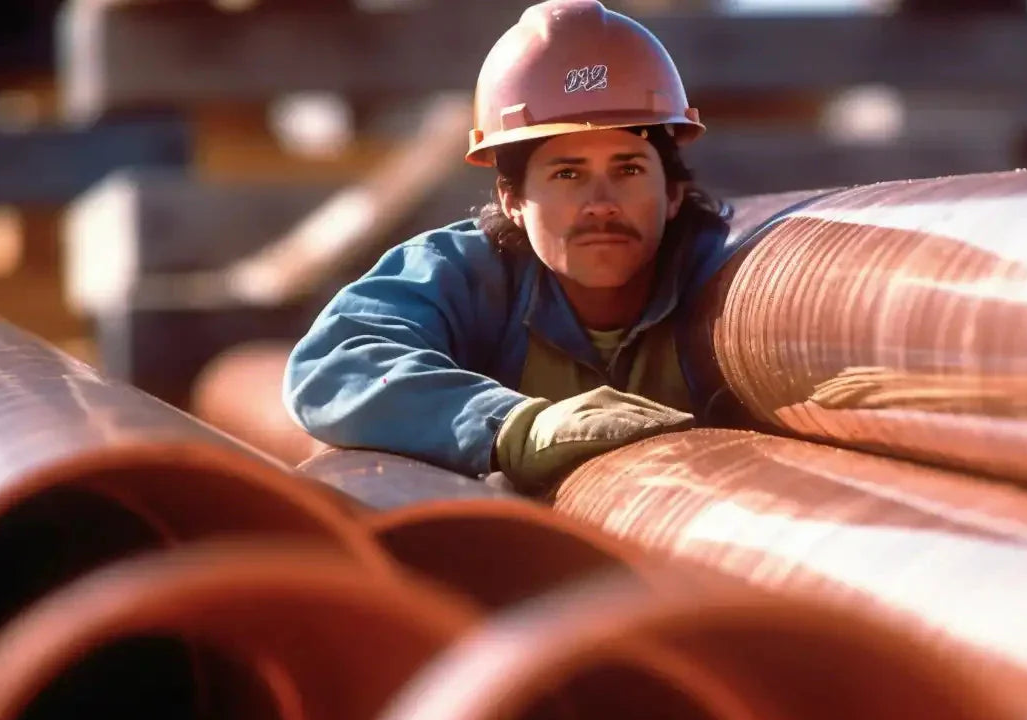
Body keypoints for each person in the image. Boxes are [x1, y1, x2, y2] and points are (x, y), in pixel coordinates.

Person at [284, 0, 731, 493]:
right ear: (512, 199)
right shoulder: (465, 274)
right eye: (567, 173)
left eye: (628, 170)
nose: (601, 204)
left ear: (672, 193)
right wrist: (514, 427)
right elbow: (332, 367)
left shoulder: (726, 271)